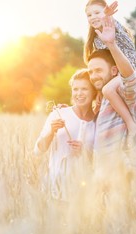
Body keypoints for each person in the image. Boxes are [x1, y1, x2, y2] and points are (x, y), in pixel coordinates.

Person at [84, 0, 136, 149]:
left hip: (131, 74)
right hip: (116, 77)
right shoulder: (97, 39)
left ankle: (131, 124)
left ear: (106, 12)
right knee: (103, 93)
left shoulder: (114, 28)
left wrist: (107, 17)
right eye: (89, 15)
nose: (93, 17)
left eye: (97, 12)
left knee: (107, 90)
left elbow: (112, 32)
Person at [34, 69, 97, 201]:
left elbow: (104, 159)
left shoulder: (99, 121)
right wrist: (51, 132)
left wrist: (84, 151)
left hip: (84, 194)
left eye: (84, 89)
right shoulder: (59, 114)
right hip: (55, 190)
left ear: (94, 92)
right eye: (75, 89)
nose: (79, 93)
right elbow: (38, 150)